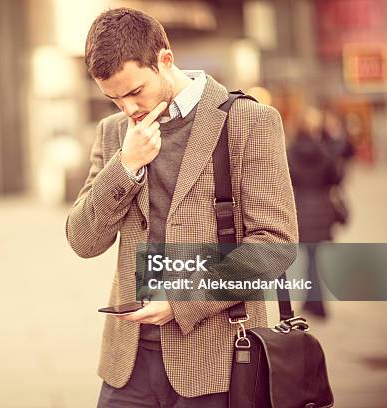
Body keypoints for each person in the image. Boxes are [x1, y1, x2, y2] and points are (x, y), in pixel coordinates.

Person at [65, 8, 298, 407]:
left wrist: (180, 300)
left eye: (134, 91)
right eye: (113, 98)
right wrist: (126, 165)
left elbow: (274, 246)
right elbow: (83, 240)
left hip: (220, 359)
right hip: (129, 362)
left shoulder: (248, 122)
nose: (127, 108)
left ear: (165, 60)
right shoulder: (114, 134)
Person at [288, 107, 343, 318]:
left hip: (300, 207)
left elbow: (287, 180)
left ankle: (314, 302)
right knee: (313, 256)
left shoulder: (290, 151)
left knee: (310, 256)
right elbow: (336, 177)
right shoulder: (324, 150)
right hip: (321, 208)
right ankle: (315, 302)